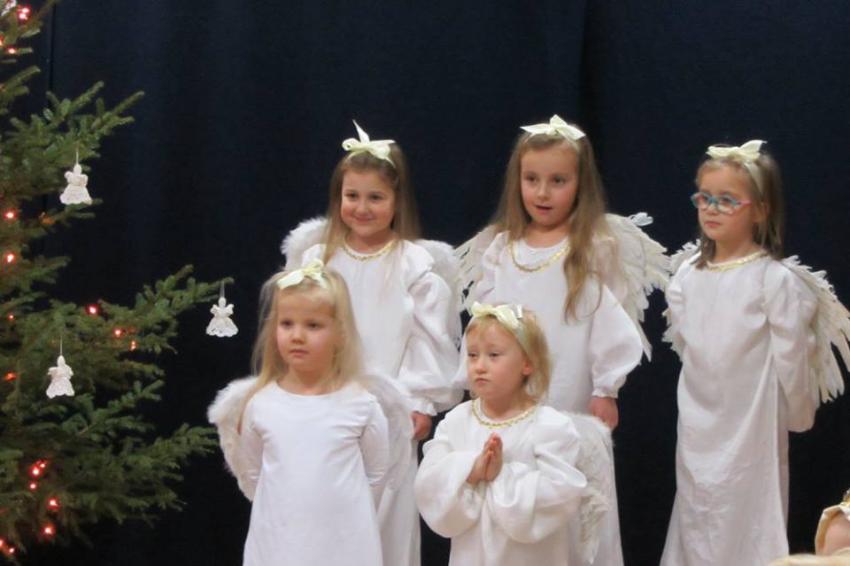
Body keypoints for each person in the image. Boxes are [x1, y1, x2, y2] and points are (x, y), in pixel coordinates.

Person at [456, 115, 667, 565]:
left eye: (558, 181)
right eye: (532, 179)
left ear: (580, 184)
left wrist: (606, 387)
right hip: (510, 398)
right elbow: (483, 325)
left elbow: (610, 320)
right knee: (514, 487)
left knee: (566, 491)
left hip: (569, 393)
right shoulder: (502, 250)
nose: (543, 193)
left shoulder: (590, 248)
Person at [661, 140, 850, 566]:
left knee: (746, 512)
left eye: (727, 200)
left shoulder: (773, 279)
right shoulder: (687, 275)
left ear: (760, 210)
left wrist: (798, 412)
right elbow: (689, 344)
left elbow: (792, 354)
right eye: (705, 198)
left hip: (751, 425)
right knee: (697, 510)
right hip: (698, 423)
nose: (711, 209)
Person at [281, 121, 460, 566]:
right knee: (321, 517)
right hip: (322, 407)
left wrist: (420, 402)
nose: (362, 208)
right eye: (352, 196)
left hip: (389, 414)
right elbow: (295, 324)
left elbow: (429, 338)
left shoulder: (413, 264)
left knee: (384, 521)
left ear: (397, 201)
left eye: (375, 198)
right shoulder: (318, 260)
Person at [208, 262, 401, 566]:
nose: (297, 336)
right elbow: (254, 474)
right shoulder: (261, 405)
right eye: (287, 324)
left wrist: (345, 515)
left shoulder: (361, 404)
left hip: (345, 547)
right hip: (278, 546)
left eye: (313, 325)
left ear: (340, 333)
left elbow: (376, 474)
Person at [415, 302, 592, 565]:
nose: (479, 366)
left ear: (528, 363)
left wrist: (502, 475)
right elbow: (429, 484)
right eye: (472, 355)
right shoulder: (456, 422)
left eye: (494, 355)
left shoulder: (550, 427)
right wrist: (470, 470)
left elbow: (561, 495)